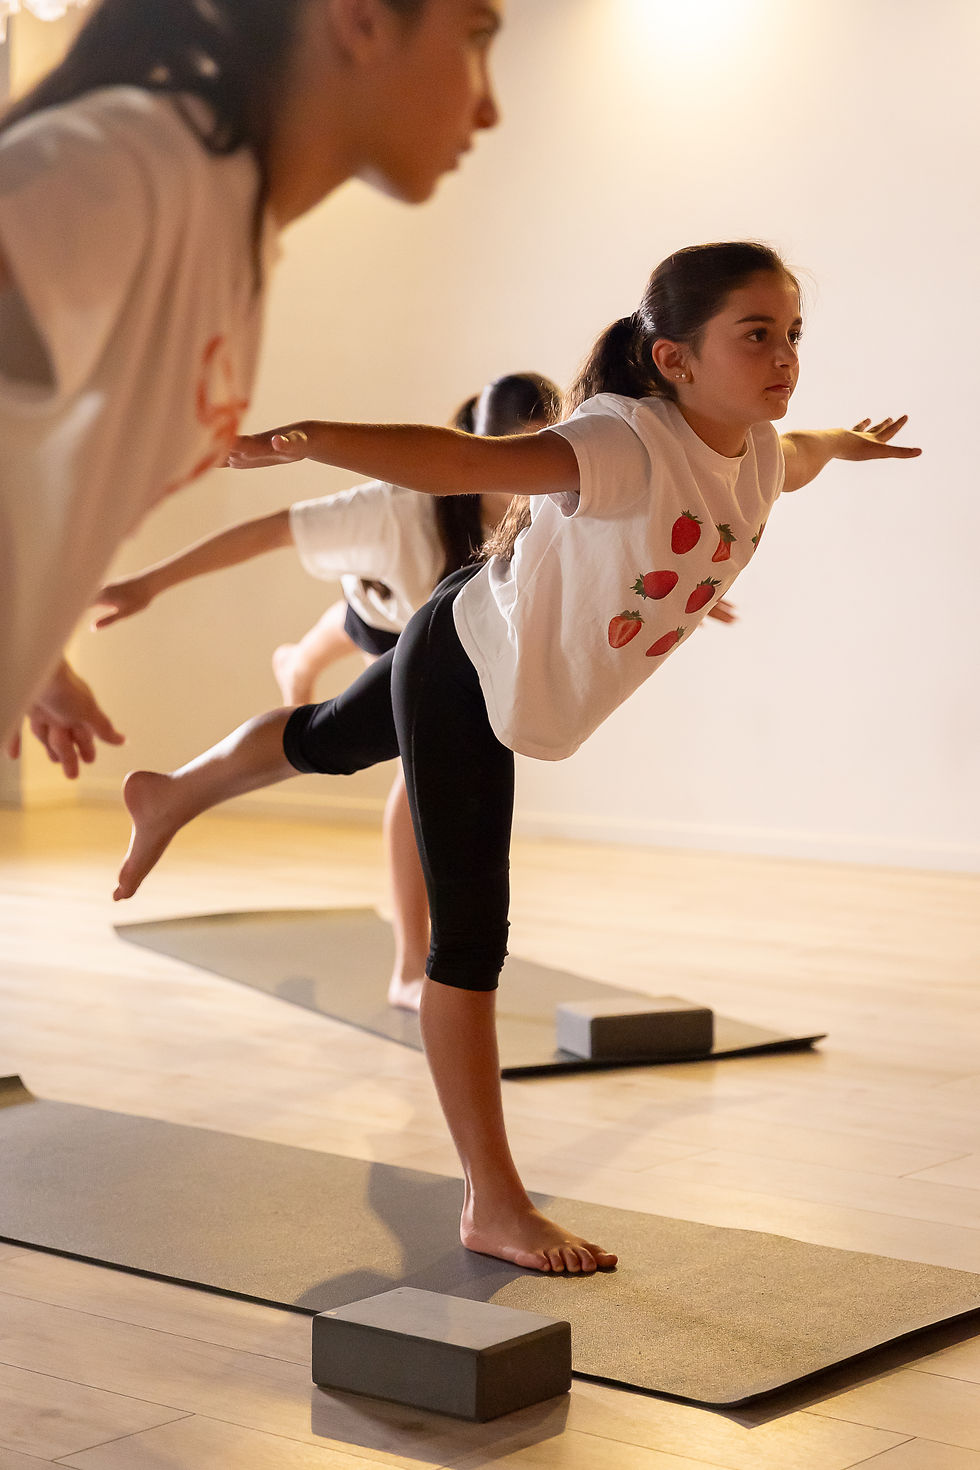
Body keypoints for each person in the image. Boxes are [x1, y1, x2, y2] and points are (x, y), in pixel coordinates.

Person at [113, 241, 922, 1274]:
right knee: (471, 940)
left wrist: (850, 443)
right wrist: (305, 437)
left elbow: (806, 446)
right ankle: (491, 1202)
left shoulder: (760, 451)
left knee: (323, 741)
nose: (782, 358)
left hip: (473, 636)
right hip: (467, 671)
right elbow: (459, 462)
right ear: (673, 360)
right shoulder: (619, 441)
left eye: (792, 334)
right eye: (754, 335)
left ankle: (171, 791)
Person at [0, 0, 502, 775]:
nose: (490, 105)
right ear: (362, 18)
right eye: (476, 38)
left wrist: (32, 647)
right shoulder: (126, 167)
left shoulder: (231, 230)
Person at [94, 375, 562, 1009]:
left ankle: (296, 662)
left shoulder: (556, 500)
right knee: (377, 682)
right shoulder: (397, 507)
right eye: (514, 454)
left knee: (364, 666)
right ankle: (407, 969)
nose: (532, 475)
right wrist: (148, 584)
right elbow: (271, 531)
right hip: (382, 609)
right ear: (478, 449)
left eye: (543, 452)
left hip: (430, 626)